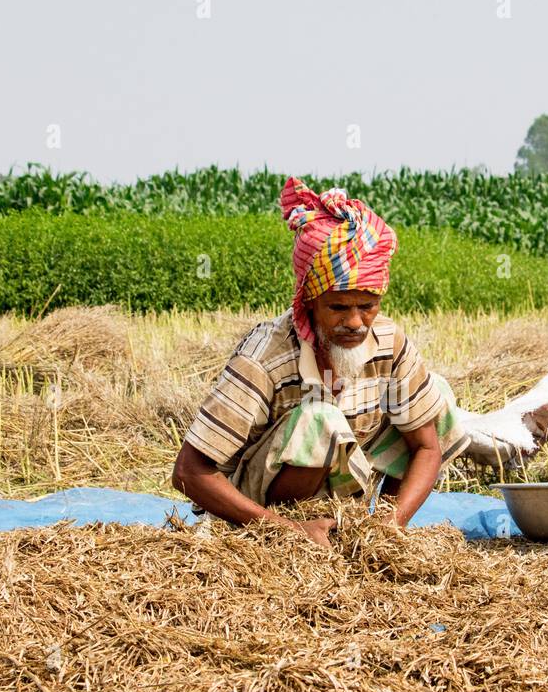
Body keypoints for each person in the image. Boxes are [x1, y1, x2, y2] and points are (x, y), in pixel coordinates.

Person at [171, 177, 472, 547]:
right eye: (339, 307)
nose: (356, 322)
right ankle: (295, 532)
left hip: (341, 491)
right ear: (310, 302)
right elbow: (188, 472)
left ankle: (361, 528)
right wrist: (288, 529)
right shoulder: (266, 358)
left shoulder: (388, 343)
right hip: (255, 507)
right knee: (321, 419)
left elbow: (427, 447)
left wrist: (387, 529)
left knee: (434, 394)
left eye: (368, 306)